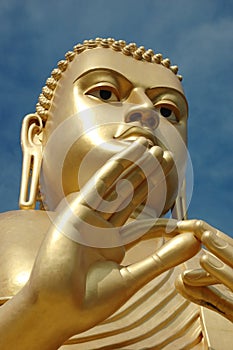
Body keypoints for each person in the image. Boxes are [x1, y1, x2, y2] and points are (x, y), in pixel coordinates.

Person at [0, 38, 232, 349]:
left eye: (167, 111)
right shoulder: (10, 234)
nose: (146, 114)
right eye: (106, 94)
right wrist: (38, 315)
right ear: (36, 136)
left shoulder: (210, 266)